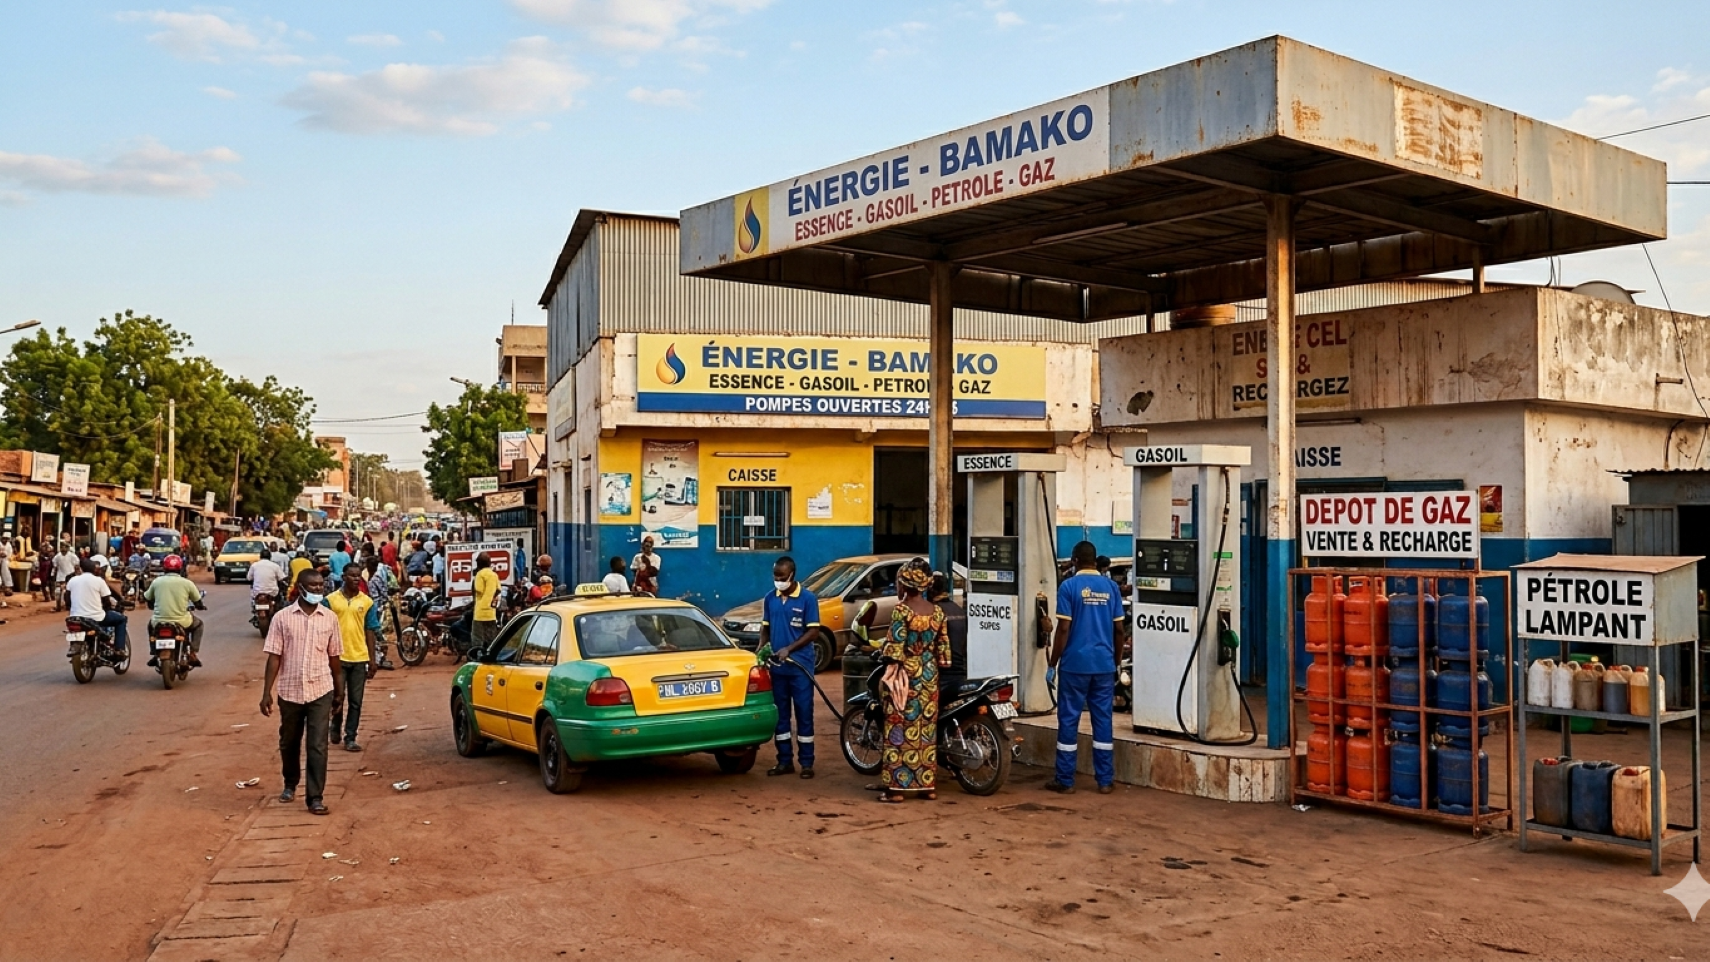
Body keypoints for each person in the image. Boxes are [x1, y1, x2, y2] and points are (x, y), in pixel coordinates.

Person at [259, 569, 344, 816]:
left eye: (321, 585)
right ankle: (290, 782)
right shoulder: (282, 618)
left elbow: (335, 658)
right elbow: (274, 657)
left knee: (317, 745)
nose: (318, 589)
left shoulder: (329, 618)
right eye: (313, 585)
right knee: (289, 741)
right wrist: (267, 692)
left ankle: (315, 797)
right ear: (300, 587)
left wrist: (339, 693)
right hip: (290, 690)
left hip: (321, 689)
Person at [1045, 541, 1126, 795]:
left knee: (1069, 720)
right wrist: (1115, 661)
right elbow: (1120, 629)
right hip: (1103, 665)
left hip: (1074, 666)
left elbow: (1064, 629)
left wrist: (1052, 663)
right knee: (1103, 720)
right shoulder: (1111, 587)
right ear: (1095, 561)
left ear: (1075, 560)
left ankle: (1066, 781)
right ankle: (1104, 781)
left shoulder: (1068, 587)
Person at [876, 559, 951, 803]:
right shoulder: (938, 612)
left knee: (899, 728)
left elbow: (895, 649)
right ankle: (927, 785)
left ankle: (898, 788)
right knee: (926, 731)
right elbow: (944, 652)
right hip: (929, 677)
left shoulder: (902, 611)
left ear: (904, 585)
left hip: (904, 676)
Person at [760, 555, 820, 779]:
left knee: (804, 713)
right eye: (775, 576)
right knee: (781, 716)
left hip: (800, 666)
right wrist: (761, 648)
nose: (778, 580)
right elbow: (765, 628)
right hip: (778, 668)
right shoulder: (770, 598)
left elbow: (813, 631)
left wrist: (790, 649)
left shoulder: (807, 599)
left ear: (792, 575)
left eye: (782, 577)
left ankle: (806, 762)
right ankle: (784, 761)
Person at [326, 563, 379, 752]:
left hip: (359, 657)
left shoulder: (367, 602)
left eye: (358, 576)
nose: (356, 579)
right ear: (344, 577)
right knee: (337, 697)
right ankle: (335, 726)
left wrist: (372, 660)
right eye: (352, 575)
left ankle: (350, 736)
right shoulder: (330, 601)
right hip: (336, 657)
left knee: (356, 700)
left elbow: (370, 630)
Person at [145, 554, 206, 667]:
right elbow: (197, 600)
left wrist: (152, 605)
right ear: (180, 568)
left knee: (150, 626)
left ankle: (154, 652)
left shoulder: (157, 582)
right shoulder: (187, 583)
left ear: (164, 568)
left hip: (158, 621)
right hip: (182, 621)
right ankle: (192, 653)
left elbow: (148, 598)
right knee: (199, 625)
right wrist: (200, 606)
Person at [67, 557, 128, 656]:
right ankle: (119, 649)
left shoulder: (72, 580)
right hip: (96, 617)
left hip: (75, 617)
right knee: (121, 619)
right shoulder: (99, 581)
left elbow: (67, 599)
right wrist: (107, 608)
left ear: (81, 569)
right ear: (95, 569)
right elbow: (107, 601)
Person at [929, 571, 967, 696]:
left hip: (941, 674)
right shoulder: (958, 610)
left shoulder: (934, 612)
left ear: (931, 590)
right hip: (959, 671)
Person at [364, 556, 398, 670]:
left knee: (376, 631)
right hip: (373, 606)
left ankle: (380, 657)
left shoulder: (376, 578)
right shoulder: (373, 576)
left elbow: (383, 592)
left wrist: (385, 601)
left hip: (376, 607)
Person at [471, 552, 501, 649]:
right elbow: (498, 590)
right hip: (491, 612)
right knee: (491, 640)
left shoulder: (480, 575)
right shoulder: (494, 575)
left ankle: (477, 659)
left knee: (477, 640)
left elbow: (478, 589)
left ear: (478, 563)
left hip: (480, 613)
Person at [53, 543, 79, 610]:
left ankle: (69, 605)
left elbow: (76, 565)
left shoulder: (72, 556)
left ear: (67, 548)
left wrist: (76, 575)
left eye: (64, 548)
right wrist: (53, 575)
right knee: (57, 591)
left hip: (70, 576)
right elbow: (55, 566)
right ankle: (58, 606)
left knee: (70, 591)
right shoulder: (57, 556)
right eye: (61, 548)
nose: (63, 549)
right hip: (60, 577)